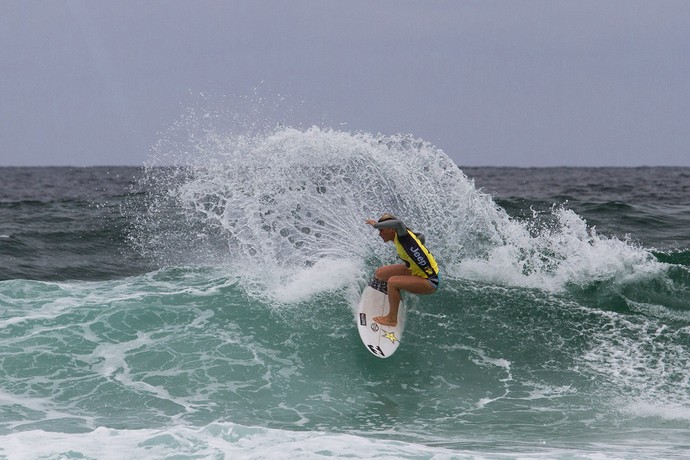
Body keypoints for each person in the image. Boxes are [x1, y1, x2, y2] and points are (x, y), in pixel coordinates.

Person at [365, 214, 440, 326]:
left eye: (381, 230)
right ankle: (394, 293)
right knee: (379, 273)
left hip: (430, 280)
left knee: (392, 282)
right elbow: (421, 237)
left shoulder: (403, 236)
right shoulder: (404, 237)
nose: (379, 234)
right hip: (417, 271)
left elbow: (399, 223)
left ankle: (391, 319)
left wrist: (376, 225)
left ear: (391, 229)